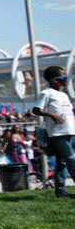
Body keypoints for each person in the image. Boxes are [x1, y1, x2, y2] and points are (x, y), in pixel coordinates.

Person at [32, 66, 75, 198]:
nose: (67, 80)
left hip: (69, 130)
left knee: (62, 162)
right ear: (55, 80)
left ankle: (60, 190)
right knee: (70, 158)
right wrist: (52, 115)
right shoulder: (47, 93)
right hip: (58, 133)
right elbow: (36, 110)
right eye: (64, 78)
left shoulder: (64, 95)